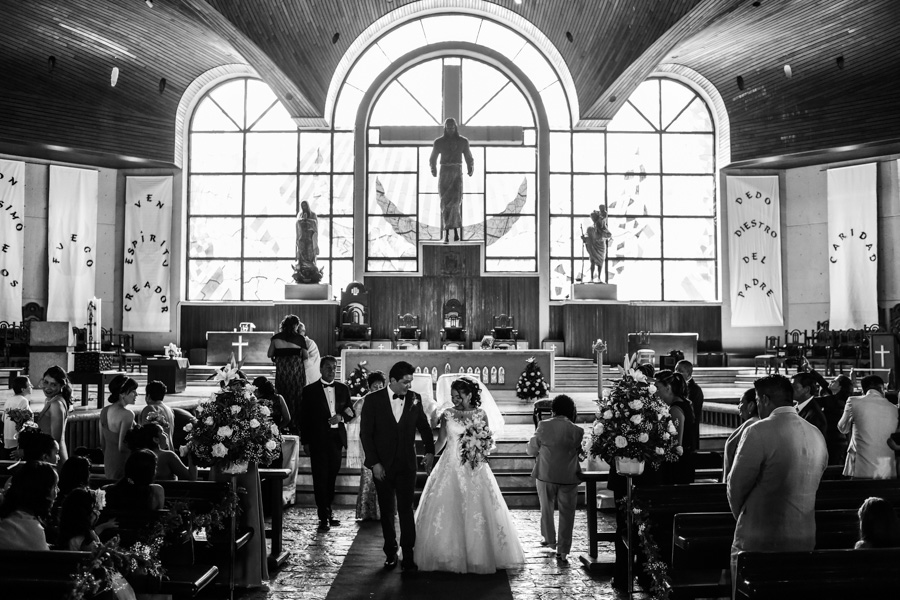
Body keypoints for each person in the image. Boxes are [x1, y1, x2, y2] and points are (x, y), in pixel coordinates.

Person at [415, 376, 524, 573]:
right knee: (447, 508)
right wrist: (430, 454)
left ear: (470, 395)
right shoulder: (447, 414)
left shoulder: (481, 414)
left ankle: (478, 554)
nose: (454, 399)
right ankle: (445, 554)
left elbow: (486, 439)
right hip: (450, 466)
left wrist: (480, 448)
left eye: (458, 395)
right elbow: (442, 440)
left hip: (474, 467)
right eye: (452, 396)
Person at [727, 374, 828, 582]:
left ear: (764, 400)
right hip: (804, 535)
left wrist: (745, 518)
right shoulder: (816, 433)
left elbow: (736, 486)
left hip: (761, 537)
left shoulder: (758, 431)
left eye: (757, 400)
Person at [360, 360, 435, 571]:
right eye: (405, 382)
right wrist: (374, 463)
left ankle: (408, 554)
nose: (408, 386)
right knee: (386, 511)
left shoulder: (415, 399)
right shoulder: (373, 400)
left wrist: (430, 451)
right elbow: (366, 434)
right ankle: (390, 552)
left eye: (410, 382)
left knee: (406, 510)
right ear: (392, 380)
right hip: (382, 466)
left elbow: (425, 427)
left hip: (406, 465)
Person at [525, 394, 583, 563]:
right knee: (568, 513)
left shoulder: (543, 425)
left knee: (546, 508)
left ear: (553, 410)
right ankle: (563, 550)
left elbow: (532, 450)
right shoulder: (577, 430)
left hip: (546, 474)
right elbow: (578, 452)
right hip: (569, 476)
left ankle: (550, 540)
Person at [300, 355, 355, 530]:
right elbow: (304, 419)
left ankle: (328, 509)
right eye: (329, 367)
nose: (332, 371)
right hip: (317, 439)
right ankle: (323, 514)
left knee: (332, 476)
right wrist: (306, 442)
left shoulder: (343, 389)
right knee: (320, 477)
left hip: (336, 439)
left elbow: (351, 412)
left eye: (335, 367)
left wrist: (341, 417)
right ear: (321, 369)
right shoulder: (309, 391)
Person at [838, 375, 898, 479]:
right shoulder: (894, 408)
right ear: (881, 388)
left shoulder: (853, 401)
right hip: (888, 469)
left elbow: (843, 428)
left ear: (863, 389)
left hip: (862, 468)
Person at [429, 117, 474, 244]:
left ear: (455, 128)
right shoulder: (438, 142)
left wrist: (470, 167)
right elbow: (432, 158)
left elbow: (468, 157)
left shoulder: (463, 141)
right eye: (448, 128)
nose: (450, 130)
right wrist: (433, 168)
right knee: (445, 203)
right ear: (445, 128)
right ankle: (447, 233)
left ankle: (454, 232)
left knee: (455, 203)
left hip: (456, 172)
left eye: (452, 128)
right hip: (444, 173)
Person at [0, 461, 58, 550]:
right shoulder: (34, 530)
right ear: (42, 492)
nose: (58, 490)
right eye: (54, 486)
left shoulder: (6, 522)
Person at [352, 371, 385, 521]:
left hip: (385, 443)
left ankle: (383, 510)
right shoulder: (363, 401)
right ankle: (367, 511)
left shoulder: (388, 400)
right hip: (367, 442)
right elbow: (351, 416)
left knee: (384, 475)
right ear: (369, 387)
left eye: (380, 386)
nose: (378, 389)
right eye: (374, 386)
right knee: (368, 475)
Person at [268, 314, 308, 435]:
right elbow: (306, 356)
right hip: (296, 374)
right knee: (296, 397)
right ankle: (295, 425)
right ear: (296, 325)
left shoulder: (276, 338)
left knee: (283, 395)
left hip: (283, 373)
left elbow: (269, 354)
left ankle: (283, 424)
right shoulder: (300, 339)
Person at [654, 370, 696, 483]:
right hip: (683, 462)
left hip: (678, 466)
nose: (655, 392)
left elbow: (676, 444)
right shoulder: (682, 403)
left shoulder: (676, 409)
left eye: (657, 387)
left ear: (668, 387)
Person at [125, 423, 197, 481]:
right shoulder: (167, 456)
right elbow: (191, 478)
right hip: (168, 497)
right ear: (156, 439)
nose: (166, 435)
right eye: (162, 432)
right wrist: (192, 453)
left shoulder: (137, 456)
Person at [99, 375, 139, 479]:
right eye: (133, 391)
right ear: (122, 393)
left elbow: (102, 443)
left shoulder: (104, 411)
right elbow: (122, 447)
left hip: (109, 461)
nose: (136, 394)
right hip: (123, 462)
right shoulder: (127, 414)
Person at [36, 365, 72, 465]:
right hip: (47, 456)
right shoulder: (51, 400)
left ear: (62, 386)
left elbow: (54, 440)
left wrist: (28, 450)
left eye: (53, 384)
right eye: (46, 382)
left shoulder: (56, 404)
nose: (47, 387)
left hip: (53, 459)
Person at [723, 388, 759, 482]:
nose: (739, 407)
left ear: (751, 405)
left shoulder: (752, 425)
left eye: (741, 402)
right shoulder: (752, 423)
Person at [2, 376, 34, 459]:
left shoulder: (9, 400)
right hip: (16, 439)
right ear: (23, 389)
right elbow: (27, 421)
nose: (32, 386)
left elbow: (3, 419)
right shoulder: (23, 400)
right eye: (29, 385)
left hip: (7, 439)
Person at [675, 359, 704, 448]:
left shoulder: (694, 389)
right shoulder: (679, 387)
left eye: (680, 371)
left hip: (689, 430)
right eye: (675, 369)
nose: (676, 373)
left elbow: (692, 413)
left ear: (688, 373)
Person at [791, 372, 828, 438]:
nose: (790, 390)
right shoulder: (794, 407)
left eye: (794, 387)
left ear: (806, 390)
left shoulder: (815, 415)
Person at [139, 379, 176, 444]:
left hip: (157, 451)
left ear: (148, 396)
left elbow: (144, 434)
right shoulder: (169, 410)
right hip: (169, 449)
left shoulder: (150, 409)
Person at [581, 206, 612, 282]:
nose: (593, 219)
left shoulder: (603, 227)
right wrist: (584, 239)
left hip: (601, 246)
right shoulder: (590, 228)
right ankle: (591, 278)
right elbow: (588, 237)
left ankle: (599, 277)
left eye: (594, 217)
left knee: (600, 262)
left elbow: (609, 234)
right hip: (593, 246)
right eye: (592, 218)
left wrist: (601, 231)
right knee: (592, 261)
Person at [294, 200, 321, 282]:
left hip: (310, 238)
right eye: (302, 206)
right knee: (302, 252)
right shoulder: (300, 214)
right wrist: (302, 220)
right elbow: (297, 224)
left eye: (305, 206)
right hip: (302, 238)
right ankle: (302, 267)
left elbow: (315, 224)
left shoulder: (313, 214)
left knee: (310, 253)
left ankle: (311, 266)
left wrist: (307, 220)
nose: (304, 207)